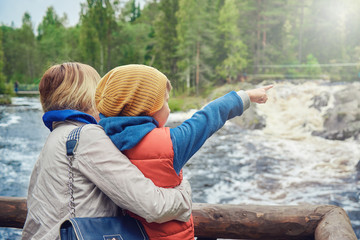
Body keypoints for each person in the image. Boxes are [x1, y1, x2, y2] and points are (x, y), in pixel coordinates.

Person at [95, 64, 273, 240]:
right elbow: (208, 117)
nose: (169, 108)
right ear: (149, 107)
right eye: (165, 101)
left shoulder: (96, 140)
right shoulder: (171, 144)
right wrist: (246, 96)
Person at [21, 62, 193, 240]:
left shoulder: (57, 137)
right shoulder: (86, 136)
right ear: (88, 95)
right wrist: (184, 193)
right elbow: (153, 205)